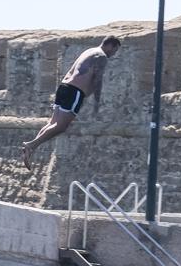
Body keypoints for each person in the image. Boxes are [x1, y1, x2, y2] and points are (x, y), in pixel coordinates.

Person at [21, 36, 121, 168]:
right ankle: (31, 145)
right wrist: (97, 103)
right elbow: (98, 80)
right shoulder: (101, 56)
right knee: (61, 126)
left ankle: (31, 148)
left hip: (64, 87)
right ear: (110, 46)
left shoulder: (89, 51)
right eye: (114, 50)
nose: (113, 54)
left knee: (53, 123)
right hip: (75, 91)